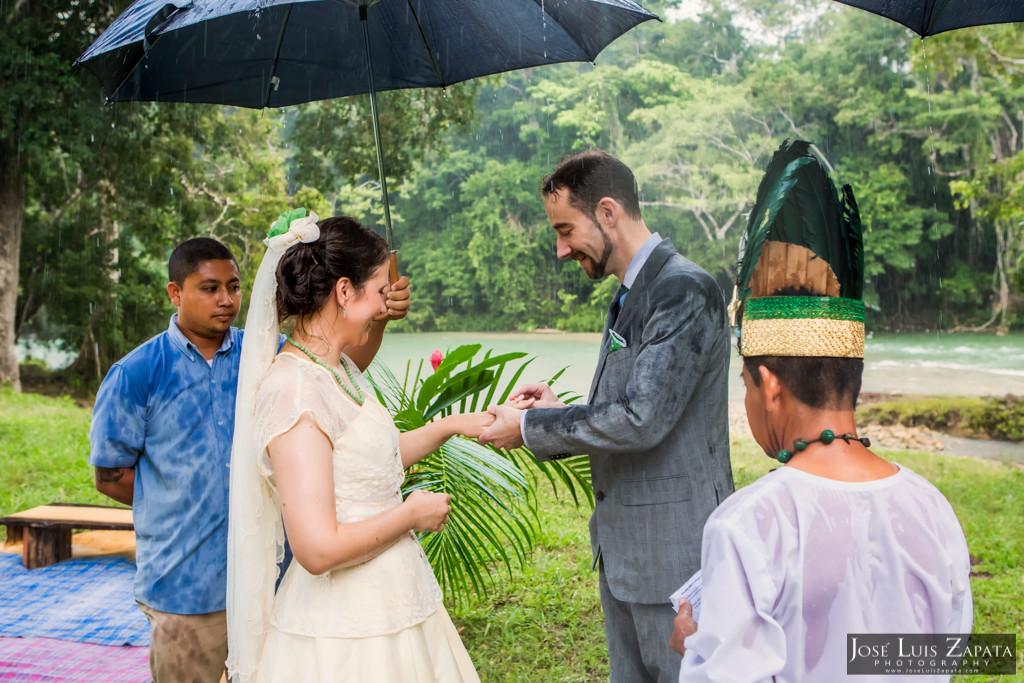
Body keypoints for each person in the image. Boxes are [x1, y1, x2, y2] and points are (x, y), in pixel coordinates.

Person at [670, 140, 973, 682]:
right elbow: (945, 657)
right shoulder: (934, 510)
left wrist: (695, 647)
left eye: (745, 382)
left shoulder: (748, 526)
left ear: (770, 384)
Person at [89, 234, 411, 682]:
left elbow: (334, 367)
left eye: (234, 286)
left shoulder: (262, 353)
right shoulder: (137, 373)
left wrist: (376, 318)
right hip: (186, 587)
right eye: (210, 288)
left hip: (267, 576)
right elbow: (110, 476)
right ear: (175, 293)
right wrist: (178, 505)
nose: (226, 299)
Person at [478, 149, 734, 683]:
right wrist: (557, 409)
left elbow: (641, 418)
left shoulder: (683, 289)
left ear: (609, 212)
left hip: (674, 557)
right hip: (624, 555)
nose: (560, 249)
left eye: (567, 229)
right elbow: (628, 403)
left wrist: (527, 428)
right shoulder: (629, 293)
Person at [225, 211, 488, 683]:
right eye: (379, 293)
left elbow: (367, 466)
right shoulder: (295, 390)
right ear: (344, 292)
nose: (385, 307)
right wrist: (412, 514)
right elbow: (317, 549)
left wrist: (450, 425)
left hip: (397, 605)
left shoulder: (338, 368)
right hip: (342, 634)